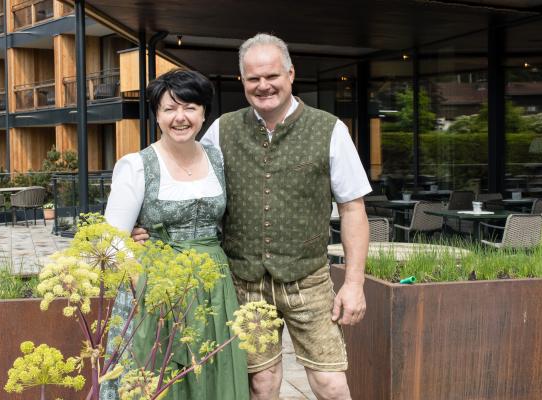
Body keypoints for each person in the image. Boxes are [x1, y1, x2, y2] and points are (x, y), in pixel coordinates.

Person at [135, 33, 371, 400]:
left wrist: (354, 283)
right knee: (261, 384)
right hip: (244, 283)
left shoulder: (330, 129)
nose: (264, 86)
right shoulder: (220, 130)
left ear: (290, 74)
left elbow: (353, 208)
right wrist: (150, 227)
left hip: (308, 281)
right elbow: (188, 181)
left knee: (331, 384)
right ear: (242, 82)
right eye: (253, 78)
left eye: (271, 76)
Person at [100, 69, 249, 400]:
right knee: (160, 376)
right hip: (157, 288)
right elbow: (110, 242)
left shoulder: (218, 158)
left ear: (204, 113)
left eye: (190, 107)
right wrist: (145, 287)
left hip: (214, 287)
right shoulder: (137, 166)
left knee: (214, 372)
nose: (180, 117)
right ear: (157, 115)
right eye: (169, 109)